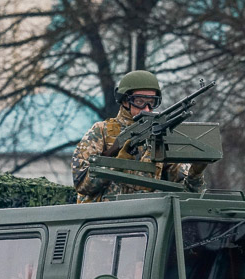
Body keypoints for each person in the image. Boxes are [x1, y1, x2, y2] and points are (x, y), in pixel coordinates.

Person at [71, 70, 206, 203]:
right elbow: (82, 185)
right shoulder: (101, 132)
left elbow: (189, 194)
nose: (147, 109)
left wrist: (195, 173)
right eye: (140, 101)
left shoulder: (160, 138)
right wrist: (117, 163)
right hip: (104, 218)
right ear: (124, 101)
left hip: (147, 219)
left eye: (152, 102)